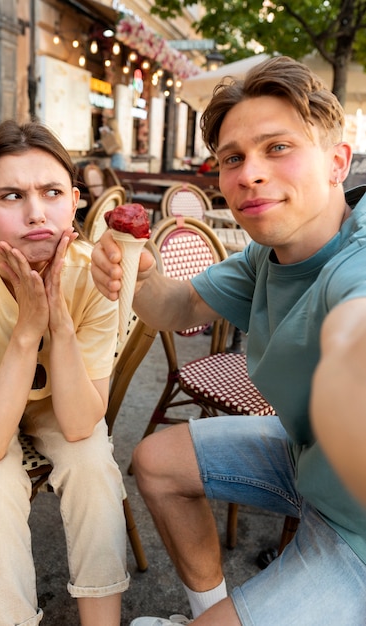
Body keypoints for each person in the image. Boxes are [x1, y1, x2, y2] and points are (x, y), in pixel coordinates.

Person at [91, 55, 366, 625]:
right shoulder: (267, 255)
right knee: (156, 460)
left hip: (357, 529)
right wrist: (138, 272)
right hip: (306, 457)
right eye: (233, 159)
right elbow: (174, 307)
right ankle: (211, 612)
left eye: (278, 148)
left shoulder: (354, 266)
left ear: (338, 161)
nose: (250, 174)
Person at [0, 120, 129, 626]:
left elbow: (78, 425)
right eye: (11, 196)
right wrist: (28, 331)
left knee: (93, 464)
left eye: (51, 192)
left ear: (74, 201)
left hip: (59, 407)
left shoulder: (94, 275)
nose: (36, 214)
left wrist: (60, 324)